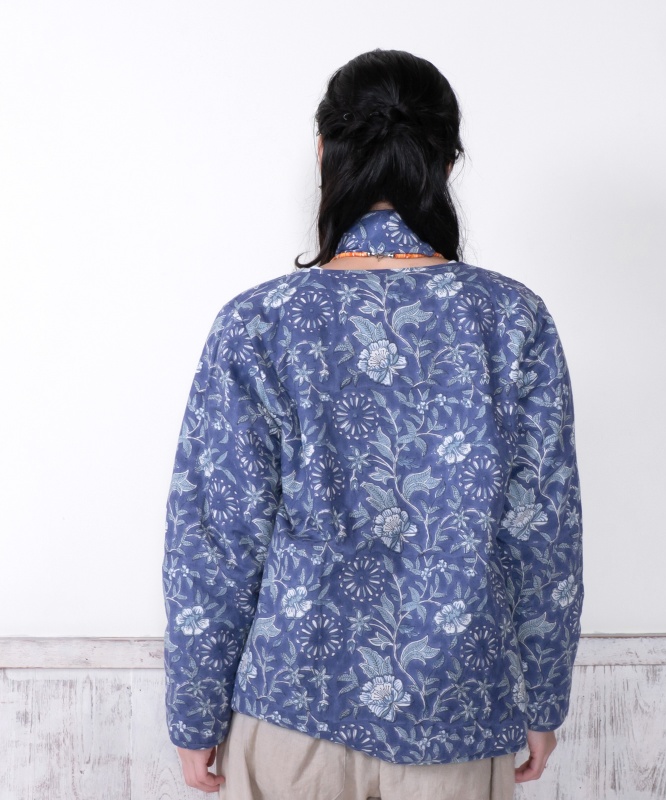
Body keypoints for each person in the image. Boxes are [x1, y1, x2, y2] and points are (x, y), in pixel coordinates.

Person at [162, 48, 584, 800]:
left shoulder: (259, 322)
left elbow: (215, 538)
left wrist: (195, 713)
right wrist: (543, 699)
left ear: (324, 152)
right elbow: (542, 532)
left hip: (291, 712)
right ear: (447, 163)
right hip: (458, 715)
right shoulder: (513, 319)